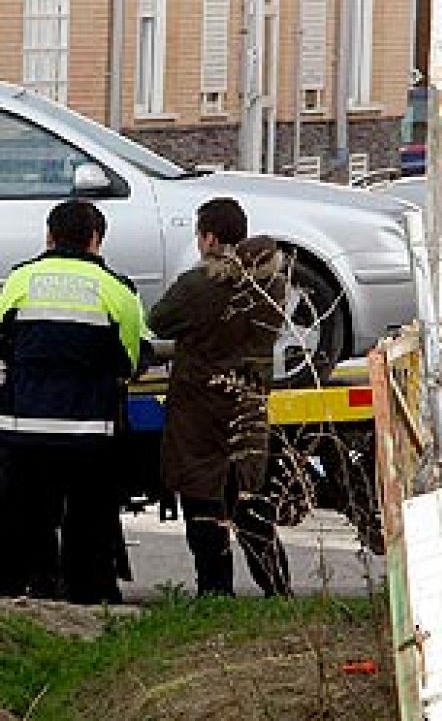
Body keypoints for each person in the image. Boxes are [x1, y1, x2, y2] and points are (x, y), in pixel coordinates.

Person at [0, 199, 146, 605]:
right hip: (89, 433)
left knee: (21, 521)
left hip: (24, 430)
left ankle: (16, 595)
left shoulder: (20, 280)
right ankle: (89, 601)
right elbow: (131, 360)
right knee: (89, 522)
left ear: (49, 237)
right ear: (96, 240)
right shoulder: (118, 289)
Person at [148, 197, 293, 598]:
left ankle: (215, 593)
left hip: (198, 409)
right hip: (248, 403)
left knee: (202, 504)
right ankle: (278, 590)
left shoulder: (199, 285)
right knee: (251, 503)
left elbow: (157, 321)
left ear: (209, 238)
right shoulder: (272, 285)